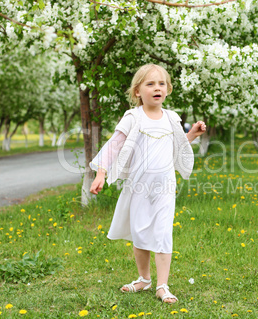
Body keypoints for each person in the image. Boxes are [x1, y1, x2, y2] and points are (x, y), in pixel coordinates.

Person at [89, 64, 206, 304]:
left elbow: (176, 146)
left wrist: (192, 135)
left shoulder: (172, 118)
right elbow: (114, 145)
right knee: (140, 233)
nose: (157, 88)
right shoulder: (133, 117)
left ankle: (163, 285)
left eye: (161, 84)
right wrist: (101, 173)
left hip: (164, 187)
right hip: (138, 187)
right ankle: (144, 278)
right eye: (150, 84)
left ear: (168, 89)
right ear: (137, 92)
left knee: (163, 233)